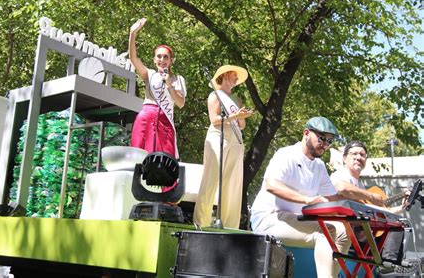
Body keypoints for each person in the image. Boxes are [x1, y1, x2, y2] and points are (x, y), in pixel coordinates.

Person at [250, 116, 350, 277]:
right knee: (326, 231)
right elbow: (271, 185)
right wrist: (307, 200)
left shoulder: (319, 166)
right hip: (269, 219)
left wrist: (363, 204)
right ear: (306, 133)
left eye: (329, 141)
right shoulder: (286, 154)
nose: (325, 144)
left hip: (296, 219)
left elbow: (333, 197)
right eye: (322, 138)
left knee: (344, 232)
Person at [330, 140, 410, 267]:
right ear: (344, 158)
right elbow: (341, 188)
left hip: (359, 232)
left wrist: (402, 207)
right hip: (342, 233)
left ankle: (391, 266)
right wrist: (371, 196)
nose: (359, 157)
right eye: (354, 154)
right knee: (395, 228)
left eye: (362, 155)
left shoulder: (359, 184)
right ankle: (388, 267)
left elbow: (375, 210)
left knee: (397, 224)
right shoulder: (340, 174)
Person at [193, 65, 253, 229]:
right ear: (226, 75)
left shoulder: (236, 99)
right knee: (211, 181)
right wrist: (236, 116)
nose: (236, 79)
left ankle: (229, 227)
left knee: (232, 186)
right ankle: (200, 224)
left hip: (235, 141)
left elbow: (241, 125)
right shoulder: (215, 95)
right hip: (218, 138)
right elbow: (215, 120)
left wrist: (243, 117)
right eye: (235, 75)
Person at [128, 18, 186, 160]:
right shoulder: (149, 74)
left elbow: (180, 103)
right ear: (154, 60)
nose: (162, 59)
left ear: (171, 60)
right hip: (146, 117)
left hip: (165, 120)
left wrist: (169, 85)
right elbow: (133, 58)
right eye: (159, 56)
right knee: (139, 156)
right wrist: (132, 34)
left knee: (165, 158)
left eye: (166, 57)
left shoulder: (177, 79)